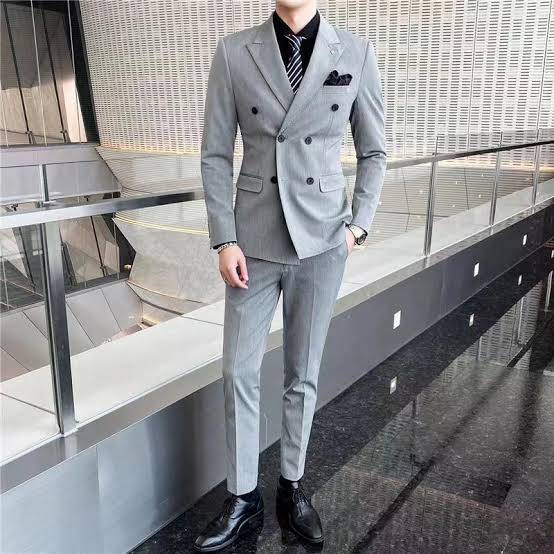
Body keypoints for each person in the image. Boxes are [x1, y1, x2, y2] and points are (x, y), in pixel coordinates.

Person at [195, 0, 386, 550]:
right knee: (238, 370)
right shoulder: (234, 52)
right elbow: (214, 153)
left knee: (302, 373)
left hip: (322, 241)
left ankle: (292, 487)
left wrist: (359, 226)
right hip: (251, 243)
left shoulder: (356, 52)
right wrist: (224, 237)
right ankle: (242, 498)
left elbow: (374, 150)